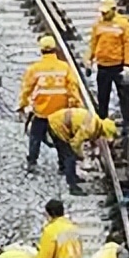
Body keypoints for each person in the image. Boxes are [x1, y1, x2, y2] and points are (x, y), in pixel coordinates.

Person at [18, 35, 81, 176]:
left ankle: (32, 163)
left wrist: (22, 104)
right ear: (55, 50)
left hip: (41, 111)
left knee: (35, 138)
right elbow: (73, 88)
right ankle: (63, 167)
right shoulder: (64, 67)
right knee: (62, 141)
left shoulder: (35, 69)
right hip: (60, 112)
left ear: (41, 51)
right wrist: (77, 104)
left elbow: (26, 88)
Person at [86, 0, 129, 133]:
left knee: (124, 95)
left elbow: (127, 45)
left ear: (114, 10)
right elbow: (93, 43)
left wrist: (127, 65)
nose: (103, 14)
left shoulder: (123, 24)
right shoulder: (98, 24)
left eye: (106, 12)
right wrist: (89, 60)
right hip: (103, 65)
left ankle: (128, 121)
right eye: (102, 12)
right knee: (103, 96)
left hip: (118, 65)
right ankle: (102, 121)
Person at [47, 107, 118, 195]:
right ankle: (72, 186)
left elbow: (91, 136)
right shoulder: (89, 128)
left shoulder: (96, 121)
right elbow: (75, 143)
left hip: (56, 120)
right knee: (70, 157)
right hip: (58, 125)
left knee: (63, 150)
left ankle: (64, 169)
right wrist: (79, 155)